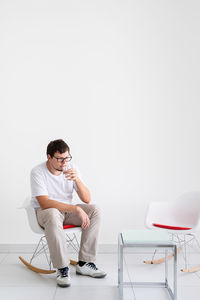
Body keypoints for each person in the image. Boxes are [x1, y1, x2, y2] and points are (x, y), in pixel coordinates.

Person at [30, 139, 106, 287]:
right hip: (46, 213)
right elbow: (45, 203)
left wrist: (77, 179)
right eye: (60, 159)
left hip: (66, 212)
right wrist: (76, 209)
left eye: (67, 158)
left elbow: (87, 199)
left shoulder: (71, 167)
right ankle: (62, 268)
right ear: (49, 157)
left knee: (95, 209)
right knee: (52, 213)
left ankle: (85, 263)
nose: (64, 163)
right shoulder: (37, 172)